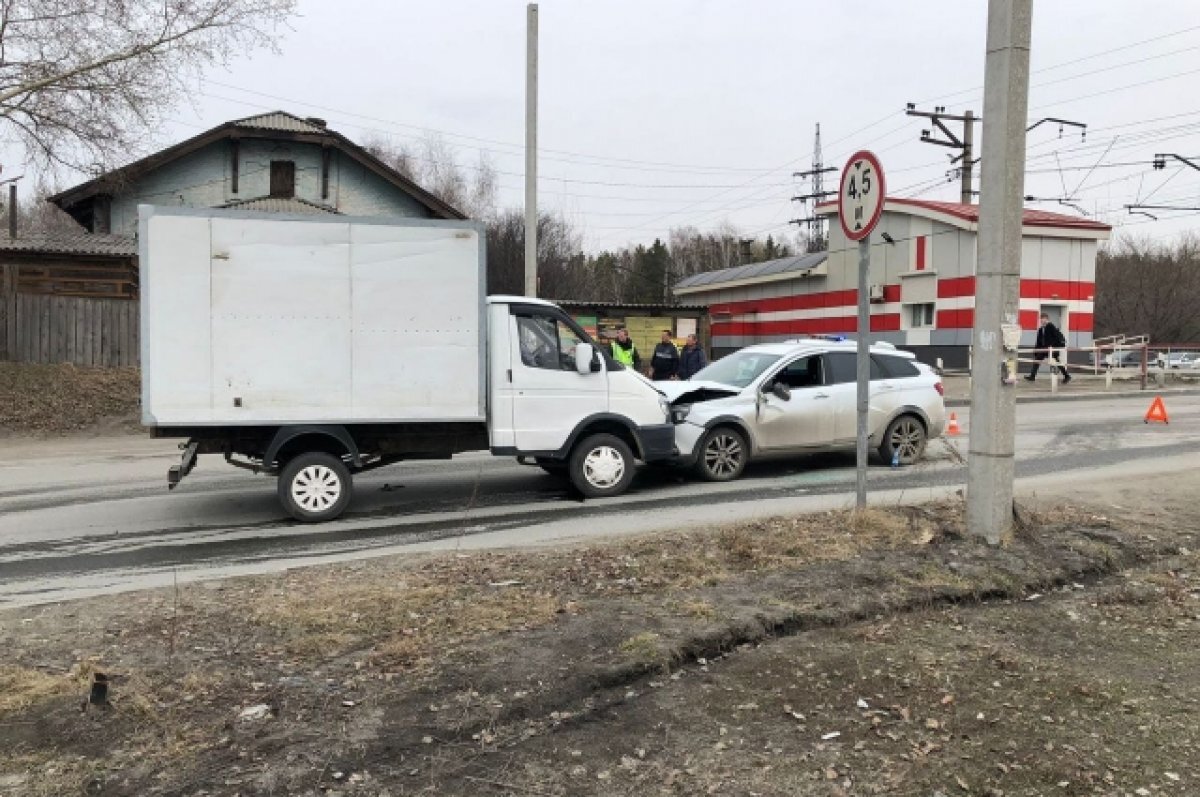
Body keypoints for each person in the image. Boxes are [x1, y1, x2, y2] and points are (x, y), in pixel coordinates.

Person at [1026, 312, 1071, 383]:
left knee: (1056, 362)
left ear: (1046, 319)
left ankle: (1066, 376)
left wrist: (1052, 346)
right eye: (1041, 319)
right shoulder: (1041, 330)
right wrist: (1036, 350)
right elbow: (1038, 341)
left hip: (1051, 349)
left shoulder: (1050, 326)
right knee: (1037, 360)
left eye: (1043, 319)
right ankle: (1032, 376)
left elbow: (1056, 337)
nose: (1041, 320)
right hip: (1044, 349)